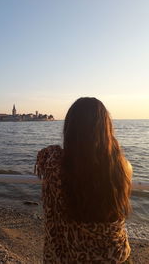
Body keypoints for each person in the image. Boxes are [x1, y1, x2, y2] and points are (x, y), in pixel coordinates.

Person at [35, 97, 133, 264]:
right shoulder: (121, 167)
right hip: (113, 256)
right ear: (106, 128)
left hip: (64, 258)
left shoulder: (54, 164)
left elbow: (47, 161)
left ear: (70, 128)